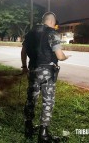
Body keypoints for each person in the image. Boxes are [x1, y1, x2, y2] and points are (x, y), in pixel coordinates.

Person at [21, 12, 71, 142]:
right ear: (52, 22)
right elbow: (59, 56)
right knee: (47, 101)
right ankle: (43, 134)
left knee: (31, 98)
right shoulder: (52, 33)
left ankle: (28, 127)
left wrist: (24, 67)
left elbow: (23, 51)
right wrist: (66, 57)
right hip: (47, 72)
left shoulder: (31, 33)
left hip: (32, 70)